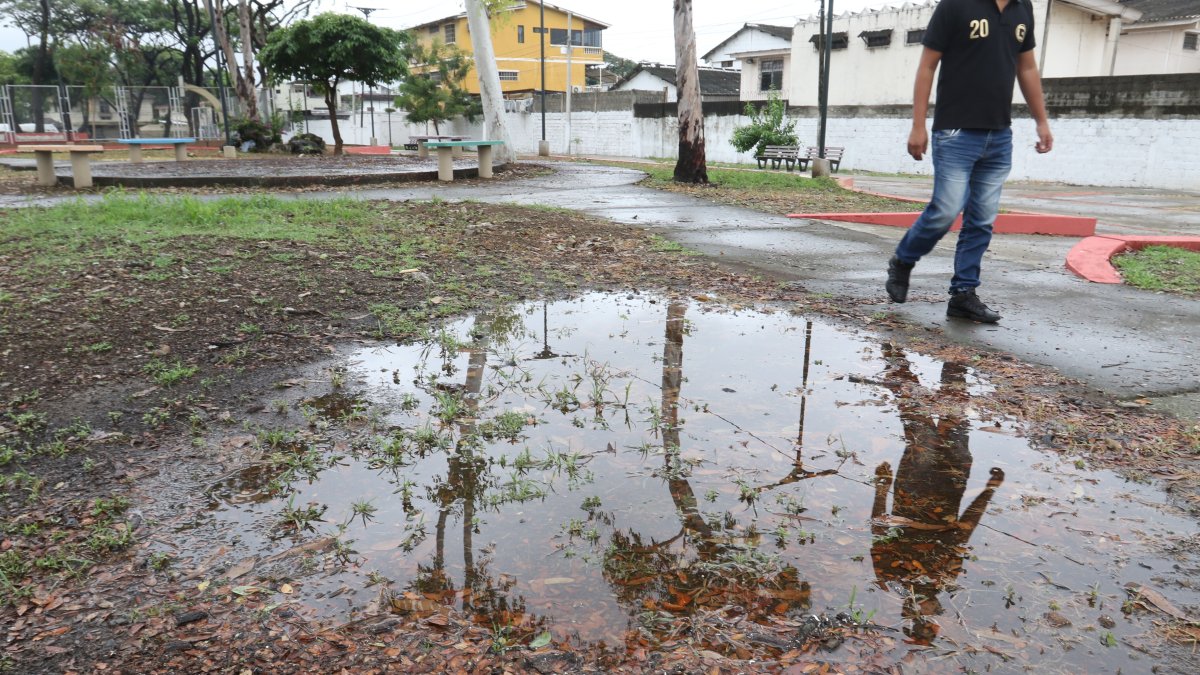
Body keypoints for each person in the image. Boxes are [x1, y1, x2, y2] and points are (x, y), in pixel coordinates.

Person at [886, 0, 1053, 323]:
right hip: (955, 132)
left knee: (981, 220)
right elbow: (927, 66)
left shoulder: (1023, 9)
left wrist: (1042, 121)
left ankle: (963, 294)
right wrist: (918, 124)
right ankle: (904, 260)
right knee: (946, 210)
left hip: (999, 135)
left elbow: (1027, 67)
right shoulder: (956, 5)